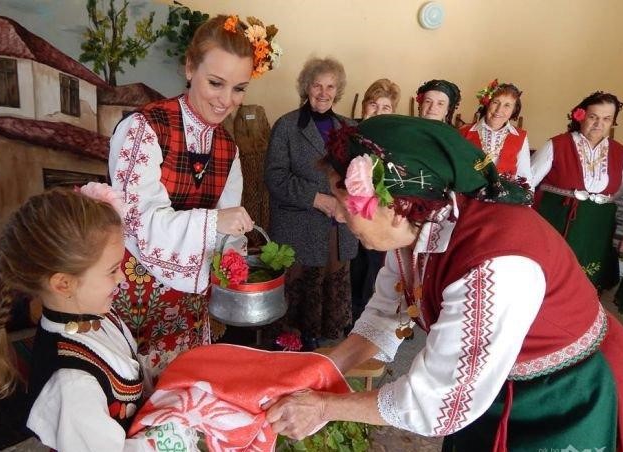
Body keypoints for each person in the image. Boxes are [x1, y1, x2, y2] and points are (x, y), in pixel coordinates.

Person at [264, 115, 623, 451]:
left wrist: (324, 407)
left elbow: (437, 404)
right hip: (489, 386)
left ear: (395, 205)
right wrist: (326, 369)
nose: (338, 216)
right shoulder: (422, 223)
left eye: (346, 205)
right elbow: (389, 313)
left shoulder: (496, 265)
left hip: (562, 395)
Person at [109, 15, 280, 374]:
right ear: (189, 68)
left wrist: (235, 267)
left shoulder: (227, 147)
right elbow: (139, 223)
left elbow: (228, 230)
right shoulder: (143, 129)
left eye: (239, 88)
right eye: (216, 83)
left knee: (185, 390)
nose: (226, 101)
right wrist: (216, 220)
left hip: (189, 304)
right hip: (131, 295)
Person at [0, 185, 199, 451]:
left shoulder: (98, 315)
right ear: (63, 284)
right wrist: (173, 440)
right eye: (112, 270)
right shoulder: (72, 384)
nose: (122, 278)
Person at [264, 57, 357, 350]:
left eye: (331, 86)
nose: (323, 92)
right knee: (299, 296)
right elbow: (274, 178)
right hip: (299, 227)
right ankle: (291, 346)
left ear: (338, 90)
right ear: (307, 87)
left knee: (329, 291)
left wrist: (349, 203)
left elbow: (359, 174)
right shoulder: (287, 126)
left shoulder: (348, 127)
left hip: (338, 229)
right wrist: (317, 199)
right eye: (317, 85)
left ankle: (322, 351)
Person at [531, 91, 623, 292]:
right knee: (550, 278)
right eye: (593, 117)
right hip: (558, 223)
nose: (599, 124)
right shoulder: (557, 145)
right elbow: (527, 185)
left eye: (607, 119)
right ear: (580, 116)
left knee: (588, 283)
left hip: (597, 229)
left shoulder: (619, 152)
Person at [350, 78, 401, 322]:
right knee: (353, 267)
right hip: (348, 212)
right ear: (363, 108)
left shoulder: (397, 142)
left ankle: (369, 319)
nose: (378, 112)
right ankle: (351, 316)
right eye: (373, 105)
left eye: (386, 108)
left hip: (380, 214)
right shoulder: (349, 135)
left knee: (376, 268)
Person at [460, 79, 531, 182]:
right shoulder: (463, 132)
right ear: (487, 104)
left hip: (504, 196)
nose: (499, 110)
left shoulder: (520, 137)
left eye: (507, 105)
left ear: (514, 110)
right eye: (495, 102)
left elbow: (524, 176)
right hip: (468, 194)